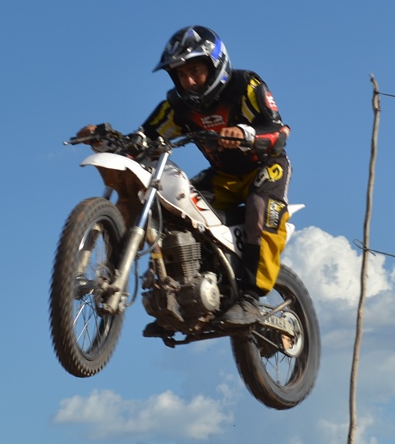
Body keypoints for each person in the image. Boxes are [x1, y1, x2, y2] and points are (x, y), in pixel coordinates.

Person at [79, 25, 292, 326]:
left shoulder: (246, 85)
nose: (189, 80)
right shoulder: (175, 107)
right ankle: (183, 292)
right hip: (222, 176)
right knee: (175, 209)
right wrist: (105, 140)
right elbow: (142, 140)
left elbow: (280, 131)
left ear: (216, 65)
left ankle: (251, 299)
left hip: (265, 167)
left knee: (260, 211)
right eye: (181, 74)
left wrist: (245, 133)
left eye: (195, 70)